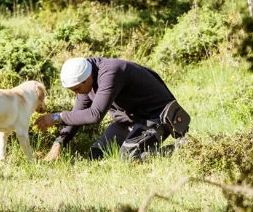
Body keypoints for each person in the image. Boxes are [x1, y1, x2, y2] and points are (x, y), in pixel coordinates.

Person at [35, 57, 187, 161]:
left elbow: (95, 115)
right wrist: (58, 143)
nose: (75, 93)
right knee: (98, 154)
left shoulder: (111, 72)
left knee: (128, 157)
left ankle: (183, 149)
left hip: (155, 117)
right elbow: (77, 116)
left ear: (87, 79)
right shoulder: (85, 81)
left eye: (76, 88)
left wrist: (56, 117)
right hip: (129, 120)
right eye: (71, 90)